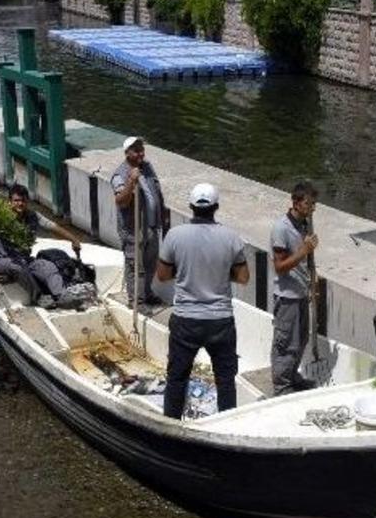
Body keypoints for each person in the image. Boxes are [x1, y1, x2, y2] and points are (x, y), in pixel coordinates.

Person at [155, 183, 249, 419]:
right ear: (216, 207)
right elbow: (244, 277)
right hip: (220, 320)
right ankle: (227, 428)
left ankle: (171, 428)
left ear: (190, 207)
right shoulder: (231, 237)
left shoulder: (174, 235)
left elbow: (163, 275)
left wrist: (186, 271)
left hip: (186, 320)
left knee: (177, 378)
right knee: (225, 381)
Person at [0, 184, 81, 305]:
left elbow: (52, 226)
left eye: (23, 201)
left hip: (24, 259)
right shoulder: (1, 217)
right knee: (17, 267)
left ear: (27, 202)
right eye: (16, 200)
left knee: (48, 266)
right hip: (2, 260)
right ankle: (38, 297)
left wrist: (74, 239)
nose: (20, 204)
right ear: (9, 202)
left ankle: (60, 295)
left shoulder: (32, 216)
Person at [270, 183, 319, 396]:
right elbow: (280, 267)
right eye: (308, 203)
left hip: (301, 293)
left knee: (301, 339)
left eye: (314, 204)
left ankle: (292, 377)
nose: (312, 208)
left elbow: (306, 259)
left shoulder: (305, 225)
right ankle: (281, 386)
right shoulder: (281, 228)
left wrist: (312, 278)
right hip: (287, 296)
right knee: (286, 343)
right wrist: (304, 250)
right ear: (296, 203)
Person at [111, 136, 168, 308]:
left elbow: (157, 192)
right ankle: (136, 301)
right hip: (133, 229)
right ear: (127, 153)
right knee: (135, 266)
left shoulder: (148, 167)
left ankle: (147, 293)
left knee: (151, 262)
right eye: (136, 150)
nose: (141, 153)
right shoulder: (119, 175)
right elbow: (121, 201)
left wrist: (163, 217)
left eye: (142, 149)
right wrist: (131, 181)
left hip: (151, 226)